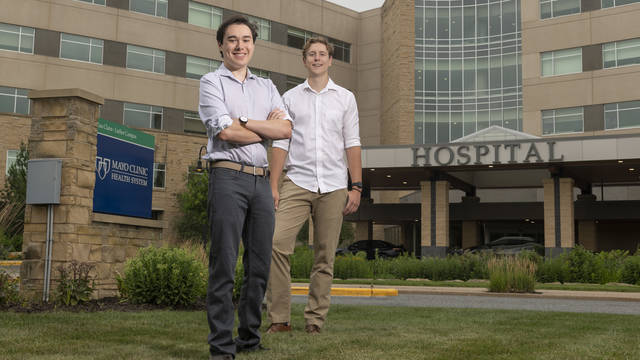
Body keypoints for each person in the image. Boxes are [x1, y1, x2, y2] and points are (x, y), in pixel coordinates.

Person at [199, 15, 292, 360]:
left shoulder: (266, 86)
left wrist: (242, 122)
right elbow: (225, 133)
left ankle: (249, 338)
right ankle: (221, 348)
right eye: (233, 40)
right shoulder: (211, 82)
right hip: (227, 177)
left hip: (261, 181)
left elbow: (285, 131)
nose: (240, 46)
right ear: (221, 45)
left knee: (260, 265)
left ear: (253, 44)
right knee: (223, 263)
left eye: (247, 40)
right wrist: (263, 127)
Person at [266, 37, 362, 334]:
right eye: (312, 54)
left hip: (334, 185)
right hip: (297, 180)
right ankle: (280, 320)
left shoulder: (346, 98)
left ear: (330, 60)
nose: (317, 58)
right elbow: (281, 141)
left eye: (322, 54)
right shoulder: (290, 98)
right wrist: (273, 184)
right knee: (276, 244)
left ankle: (315, 321)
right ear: (304, 60)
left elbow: (352, 143)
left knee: (325, 255)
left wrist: (356, 186)